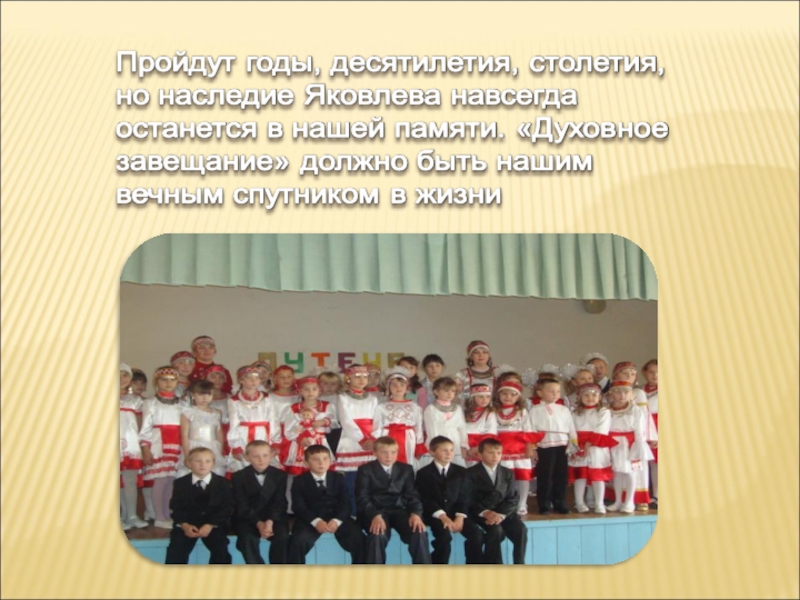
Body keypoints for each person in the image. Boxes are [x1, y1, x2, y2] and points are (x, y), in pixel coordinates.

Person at [355, 437, 432, 564]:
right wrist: (375, 515)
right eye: (384, 452)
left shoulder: (406, 469)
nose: (389, 456)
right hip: (375, 511)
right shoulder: (365, 470)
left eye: (393, 452)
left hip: (399, 510)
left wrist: (416, 514)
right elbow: (362, 498)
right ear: (374, 453)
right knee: (377, 534)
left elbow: (412, 495)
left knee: (419, 531)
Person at [288, 445, 365, 565]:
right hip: (310, 519)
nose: (321, 463)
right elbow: (298, 506)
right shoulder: (299, 481)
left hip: (337, 518)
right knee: (297, 542)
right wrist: (316, 521)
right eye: (315, 459)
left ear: (330, 461)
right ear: (306, 463)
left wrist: (337, 521)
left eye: (325, 459)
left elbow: (346, 503)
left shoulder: (338, 478)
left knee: (359, 539)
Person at [415, 436, 484, 564]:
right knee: (444, 537)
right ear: (432, 452)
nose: (449, 453)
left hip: (457, 513)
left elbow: (465, 497)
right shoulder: (423, 473)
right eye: (444, 450)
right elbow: (426, 499)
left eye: (451, 450)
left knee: (476, 534)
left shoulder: (462, 472)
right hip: (435, 515)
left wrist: (460, 516)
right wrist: (443, 517)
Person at [165, 447, 234, 564]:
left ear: (213, 463)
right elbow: (176, 507)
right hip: (188, 524)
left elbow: (226, 508)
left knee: (221, 551)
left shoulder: (223, 483)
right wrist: (185, 525)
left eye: (207, 461)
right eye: (198, 461)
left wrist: (210, 524)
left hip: (214, 524)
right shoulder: (180, 483)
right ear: (189, 463)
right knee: (176, 550)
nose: (203, 465)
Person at [465, 438, 528, 564]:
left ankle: (520, 564)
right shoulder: (470, 473)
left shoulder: (507, 473)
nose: (495, 456)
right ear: (480, 454)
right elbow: (468, 498)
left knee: (521, 529)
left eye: (498, 453)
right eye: (490, 452)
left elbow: (513, 497)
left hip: (503, 512)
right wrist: (486, 512)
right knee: (495, 531)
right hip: (481, 513)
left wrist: (500, 514)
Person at [139, 366, 187, 529]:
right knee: (161, 479)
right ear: (156, 382)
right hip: (159, 443)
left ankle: (168, 514)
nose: (168, 383)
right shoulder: (150, 403)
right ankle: (159, 516)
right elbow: (145, 428)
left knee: (172, 480)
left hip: (177, 442)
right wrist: (146, 449)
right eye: (163, 379)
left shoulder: (182, 403)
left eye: (172, 379)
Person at [282, 375, 339, 512]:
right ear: (300, 391)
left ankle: (324, 506)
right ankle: (297, 508)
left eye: (314, 389)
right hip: (300, 445)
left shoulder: (327, 406)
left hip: (320, 443)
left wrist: (324, 422)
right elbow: (288, 430)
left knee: (321, 472)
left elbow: (335, 423)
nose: (310, 392)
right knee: (299, 476)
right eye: (306, 389)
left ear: (319, 390)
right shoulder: (293, 408)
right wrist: (299, 438)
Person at [231, 440, 290, 564]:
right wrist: (258, 522)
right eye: (256, 456)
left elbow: (280, 501)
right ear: (247, 457)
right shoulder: (238, 476)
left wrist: (270, 521)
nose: (261, 460)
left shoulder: (280, 475)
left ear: (271, 455)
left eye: (265, 455)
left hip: (273, 517)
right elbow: (241, 504)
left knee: (282, 536)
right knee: (247, 538)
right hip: (248, 518)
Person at [611, 362, 658, 510]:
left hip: (634, 439)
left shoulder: (638, 393)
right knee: (617, 470)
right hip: (616, 440)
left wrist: (649, 436)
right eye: (625, 373)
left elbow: (644, 416)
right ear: (616, 375)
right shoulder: (612, 393)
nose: (629, 377)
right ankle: (618, 498)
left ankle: (639, 498)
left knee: (636, 469)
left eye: (632, 374)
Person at [334, 365, 381, 514]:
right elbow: (346, 420)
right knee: (352, 480)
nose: (362, 380)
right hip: (351, 440)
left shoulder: (373, 398)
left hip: (371, 442)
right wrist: (361, 440)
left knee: (370, 479)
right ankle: (353, 513)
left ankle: (370, 512)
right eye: (357, 377)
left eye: (365, 377)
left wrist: (374, 438)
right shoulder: (343, 397)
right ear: (348, 378)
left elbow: (378, 420)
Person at [529, 378, 578, 515]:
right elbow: (531, 429)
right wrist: (533, 448)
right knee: (545, 476)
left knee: (561, 476)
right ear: (540, 393)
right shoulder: (535, 410)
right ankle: (544, 504)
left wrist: (573, 446)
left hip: (562, 445)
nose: (555, 394)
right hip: (544, 447)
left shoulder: (564, 409)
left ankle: (560, 503)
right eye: (551, 391)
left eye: (557, 391)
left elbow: (571, 428)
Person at [494, 380, 540, 515]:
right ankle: (508, 502)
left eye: (512, 394)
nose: (508, 397)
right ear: (499, 395)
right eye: (504, 394)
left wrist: (529, 447)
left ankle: (522, 503)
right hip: (502, 449)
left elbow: (528, 430)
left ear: (518, 397)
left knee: (523, 476)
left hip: (520, 448)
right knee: (505, 477)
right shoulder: (494, 411)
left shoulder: (522, 411)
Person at [569, 383, 616, 514]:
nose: (590, 398)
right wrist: (574, 448)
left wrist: (589, 443)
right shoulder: (574, 413)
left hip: (597, 446)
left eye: (594, 395)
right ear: (580, 397)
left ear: (600, 397)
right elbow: (571, 430)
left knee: (597, 476)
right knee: (580, 475)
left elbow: (602, 429)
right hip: (579, 445)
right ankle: (579, 502)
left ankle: (599, 503)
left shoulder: (603, 411)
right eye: (586, 395)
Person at [227, 366, 283, 475]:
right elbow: (233, 423)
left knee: (264, 460)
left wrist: (276, 441)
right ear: (241, 380)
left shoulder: (266, 398)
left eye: (257, 378)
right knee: (244, 465)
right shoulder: (234, 400)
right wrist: (235, 445)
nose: (254, 381)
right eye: (249, 378)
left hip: (263, 434)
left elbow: (273, 420)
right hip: (243, 436)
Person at [372, 367, 425, 469]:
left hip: (408, 438)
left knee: (407, 462)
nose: (398, 387)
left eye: (402, 384)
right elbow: (377, 427)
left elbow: (418, 427)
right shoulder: (381, 407)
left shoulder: (415, 407)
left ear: (407, 387)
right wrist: (376, 443)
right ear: (388, 387)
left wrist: (419, 444)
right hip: (387, 436)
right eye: (394, 384)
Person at [178, 380, 226, 477]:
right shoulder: (188, 412)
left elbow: (219, 433)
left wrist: (220, 451)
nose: (205, 398)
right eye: (201, 394)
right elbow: (184, 435)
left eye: (209, 394)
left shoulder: (217, 413)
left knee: (213, 473)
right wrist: (187, 455)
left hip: (212, 447)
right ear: (193, 395)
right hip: (194, 446)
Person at [120, 363, 148, 530]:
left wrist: (141, 444)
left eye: (125, 375)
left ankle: (131, 515)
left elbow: (140, 423)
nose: (121, 378)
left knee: (130, 480)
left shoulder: (136, 401)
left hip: (131, 445)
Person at [420, 377, 470, 469]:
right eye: (446, 390)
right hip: (438, 441)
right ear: (436, 392)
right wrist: (437, 447)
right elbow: (432, 431)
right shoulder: (431, 409)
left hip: (455, 442)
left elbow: (462, 427)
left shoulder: (458, 408)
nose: (450, 394)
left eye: (452, 391)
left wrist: (463, 445)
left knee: (457, 469)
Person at [463, 383, 498, 466]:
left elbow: (491, 432)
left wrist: (478, 448)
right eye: (480, 396)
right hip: (465, 447)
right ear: (473, 397)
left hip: (481, 446)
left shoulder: (490, 413)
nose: (485, 399)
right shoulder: (465, 412)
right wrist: (463, 447)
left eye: (488, 396)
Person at [642, 359, 659, 508]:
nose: (655, 375)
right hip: (643, 428)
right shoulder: (640, 390)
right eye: (651, 372)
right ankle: (649, 495)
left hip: (658, 428)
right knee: (649, 463)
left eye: (658, 372)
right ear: (645, 373)